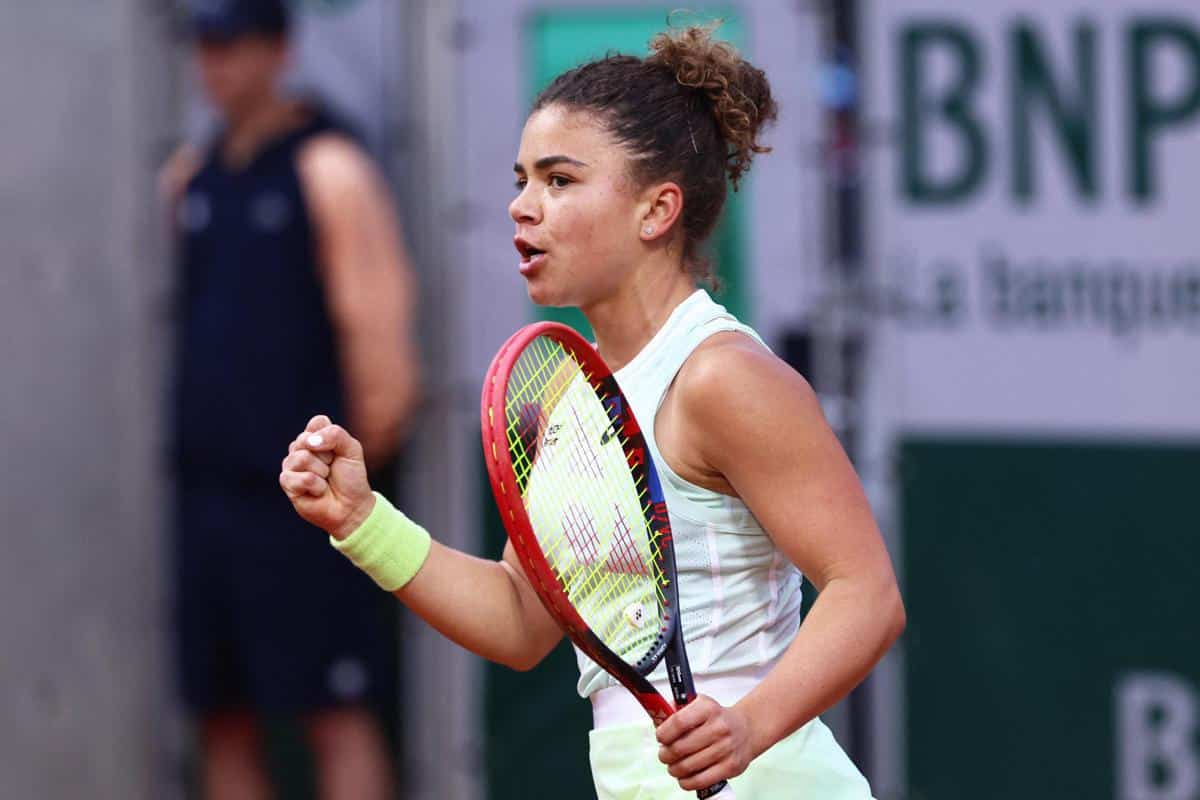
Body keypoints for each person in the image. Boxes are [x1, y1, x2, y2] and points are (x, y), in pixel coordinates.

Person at [280, 24, 903, 799]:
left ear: (656, 210)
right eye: (521, 180)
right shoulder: (568, 402)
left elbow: (866, 592)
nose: (522, 207)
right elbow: (519, 620)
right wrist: (362, 521)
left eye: (559, 180)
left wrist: (747, 725)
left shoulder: (722, 378)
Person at [163, 1, 419, 797]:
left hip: (305, 505)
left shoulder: (329, 169)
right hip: (209, 498)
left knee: (334, 712)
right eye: (204, 43)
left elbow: (382, 353)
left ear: (278, 49)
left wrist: (343, 495)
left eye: (233, 42)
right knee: (222, 716)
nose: (215, 62)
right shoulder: (192, 177)